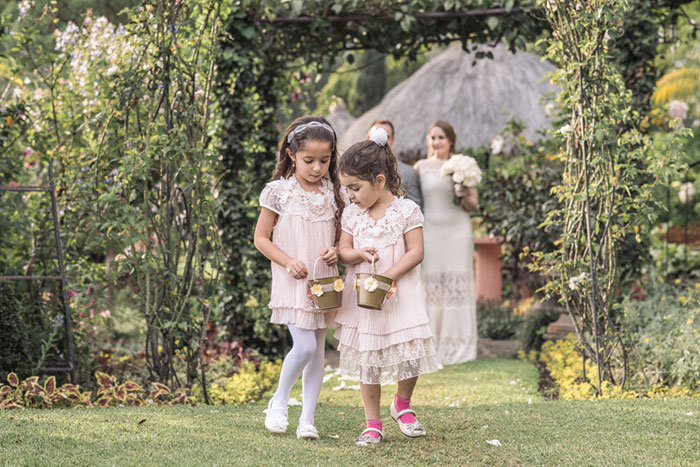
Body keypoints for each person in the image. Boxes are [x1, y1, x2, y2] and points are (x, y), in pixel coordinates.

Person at [335, 127, 440, 446]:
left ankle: (402, 405)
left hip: (400, 292)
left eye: (355, 188)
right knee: (369, 357)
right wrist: (357, 254)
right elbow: (344, 250)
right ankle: (372, 422)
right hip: (365, 296)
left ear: (379, 180)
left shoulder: (407, 211)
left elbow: (416, 252)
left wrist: (389, 276)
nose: (350, 195)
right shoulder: (353, 214)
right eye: (346, 189)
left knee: (409, 352)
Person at [254, 115, 345, 440]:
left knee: (318, 350)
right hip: (293, 281)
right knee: (304, 345)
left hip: (323, 281)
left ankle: (307, 419)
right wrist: (288, 261)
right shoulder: (278, 192)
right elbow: (261, 239)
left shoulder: (335, 193)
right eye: (309, 160)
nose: (317, 167)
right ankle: (279, 400)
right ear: (292, 155)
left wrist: (336, 251)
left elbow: (339, 239)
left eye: (325, 160)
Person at [414, 120, 478, 365]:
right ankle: (430, 344)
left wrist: (463, 194)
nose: (436, 142)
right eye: (433, 138)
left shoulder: (464, 165)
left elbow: (473, 204)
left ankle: (458, 344)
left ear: (451, 140)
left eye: (441, 137)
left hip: (457, 232)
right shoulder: (420, 167)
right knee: (431, 286)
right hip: (430, 232)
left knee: (456, 283)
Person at [366, 120, 423, 210]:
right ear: (368, 138)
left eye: (386, 137)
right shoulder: (357, 170)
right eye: (375, 135)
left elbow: (416, 209)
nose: (380, 141)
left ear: (392, 140)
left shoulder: (409, 172)